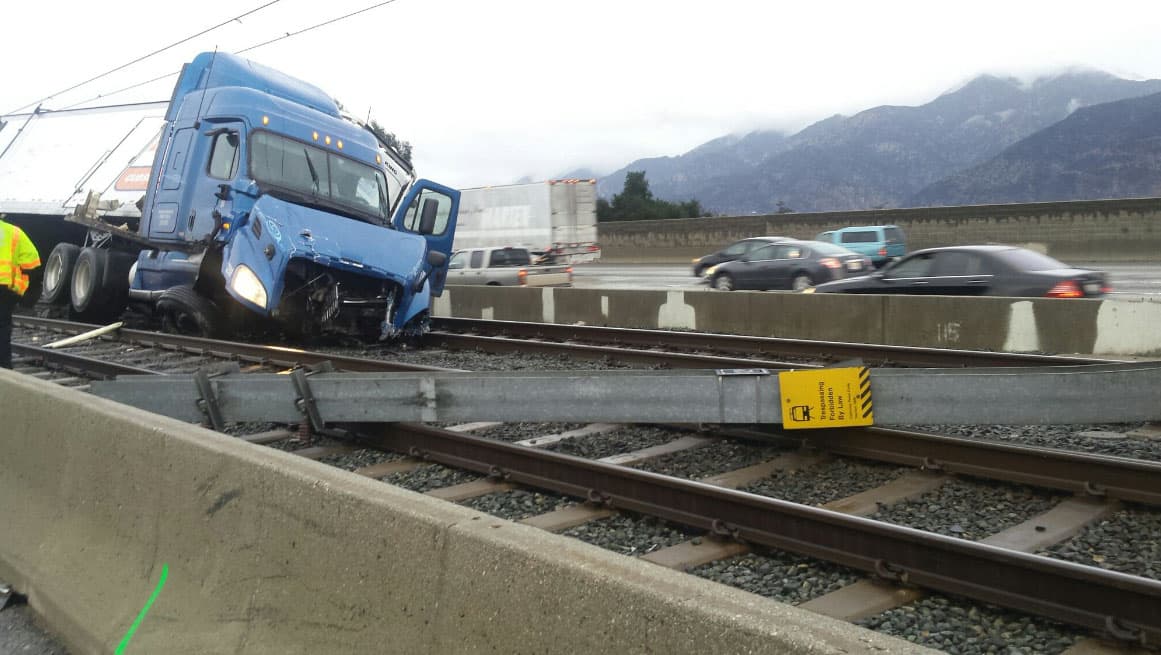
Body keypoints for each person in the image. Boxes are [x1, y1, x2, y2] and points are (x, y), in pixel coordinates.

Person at [0, 215, 41, 369]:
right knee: (2, 327)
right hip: (5, 289)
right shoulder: (14, 232)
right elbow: (32, 262)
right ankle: (4, 366)